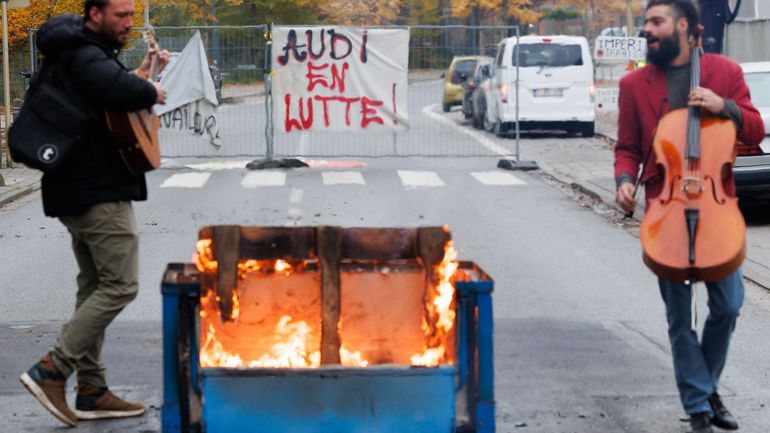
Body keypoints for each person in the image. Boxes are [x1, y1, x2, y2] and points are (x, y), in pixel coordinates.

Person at [614, 1, 765, 432]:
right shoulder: (633, 85)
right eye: (646, 23)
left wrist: (724, 106)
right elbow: (627, 146)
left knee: (730, 305)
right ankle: (700, 405)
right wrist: (625, 180)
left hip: (718, 208)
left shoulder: (725, 73)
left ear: (684, 26)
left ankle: (705, 385)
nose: (647, 31)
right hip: (667, 209)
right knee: (679, 317)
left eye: (656, 22)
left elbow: (754, 128)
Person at [18, 0, 168, 427]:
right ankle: (53, 368)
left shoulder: (84, 54)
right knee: (120, 285)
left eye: (131, 15)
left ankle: (92, 389)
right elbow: (124, 91)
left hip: (81, 186)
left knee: (95, 286)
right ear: (94, 14)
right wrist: (151, 89)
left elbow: (110, 97)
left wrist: (144, 76)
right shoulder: (85, 53)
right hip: (96, 190)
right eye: (120, 15)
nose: (128, 23)